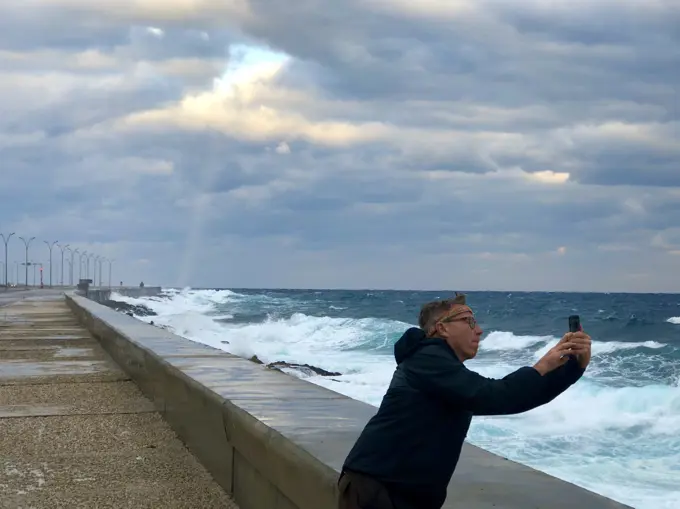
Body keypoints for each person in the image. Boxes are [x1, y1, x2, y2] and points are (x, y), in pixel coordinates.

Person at [339, 294, 591, 509]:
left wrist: (574, 368)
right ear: (442, 327)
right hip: (377, 490)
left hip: (398, 491)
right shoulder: (427, 359)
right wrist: (541, 366)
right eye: (468, 321)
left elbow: (511, 398)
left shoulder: (443, 369)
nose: (478, 329)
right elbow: (492, 395)